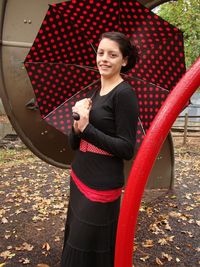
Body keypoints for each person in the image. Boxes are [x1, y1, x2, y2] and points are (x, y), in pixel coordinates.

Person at [61, 31, 139, 267]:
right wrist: (76, 127)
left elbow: (126, 149)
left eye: (112, 54)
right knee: (75, 240)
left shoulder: (124, 95)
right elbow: (76, 145)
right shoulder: (95, 92)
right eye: (101, 52)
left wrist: (87, 129)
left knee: (87, 249)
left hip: (100, 187)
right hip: (79, 177)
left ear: (124, 60)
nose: (104, 59)